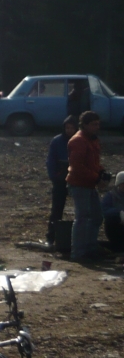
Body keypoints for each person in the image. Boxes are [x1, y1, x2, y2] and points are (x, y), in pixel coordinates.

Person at [66, 111, 112, 261]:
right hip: (79, 184)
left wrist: (102, 172)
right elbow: (77, 167)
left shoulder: (92, 139)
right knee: (83, 218)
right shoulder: (78, 141)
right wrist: (97, 178)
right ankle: (78, 252)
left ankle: (91, 247)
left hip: (89, 184)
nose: (97, 127)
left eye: (98, 124)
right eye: (94, 124)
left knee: (96, 217)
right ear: (84, 125)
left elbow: (93, 163)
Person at [45, 115, 76, 246]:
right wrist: (54, 176)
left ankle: (77, 238)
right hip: (60, 179)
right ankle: (51, 237)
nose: (69, 130)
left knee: (80, 210)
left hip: (77, 179)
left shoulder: (80, 140)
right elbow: (50, 161)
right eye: (67, 128)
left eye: (72, 128)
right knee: (57, 210)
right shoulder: (57, 141)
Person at [102, 171, 124, 252]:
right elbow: (104, 210)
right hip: (115, 227)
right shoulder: (111, 195)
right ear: (118, 184)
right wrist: (119, 213)